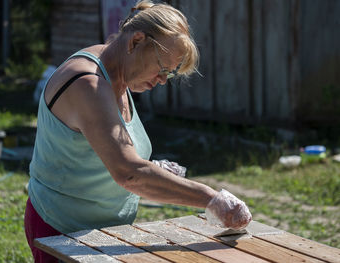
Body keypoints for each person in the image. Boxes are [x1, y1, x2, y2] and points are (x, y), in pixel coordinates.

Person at [24, 1, 252, 262]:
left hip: (100, 232)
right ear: (136, 41)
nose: (163, 79)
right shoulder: (88, 83)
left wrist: (153, 168)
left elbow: (101, 151)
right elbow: (128, 173)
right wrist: (212, 199)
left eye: (170, 73)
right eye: (162, 68)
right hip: (61, 230)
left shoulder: (118, 76)